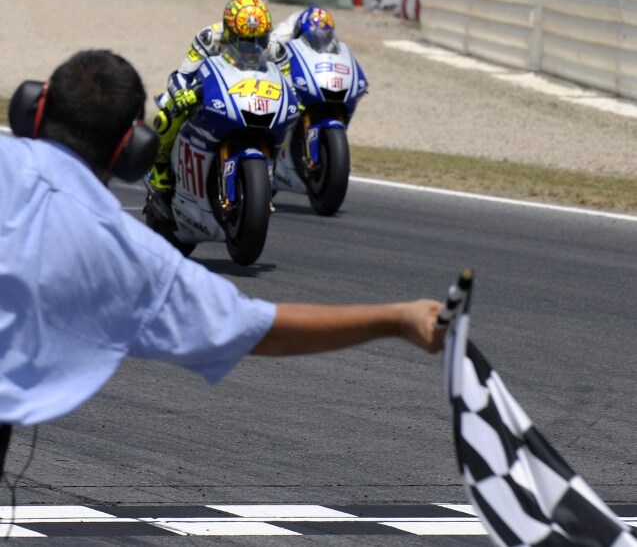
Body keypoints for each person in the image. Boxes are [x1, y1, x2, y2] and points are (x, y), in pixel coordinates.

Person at [0, 49, 444, 477]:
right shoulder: (133, 254)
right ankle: (165, 183)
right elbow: (258, 327)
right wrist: (394, 319)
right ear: (131, 150)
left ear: (33, 108)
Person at [147, 0, 279, 204]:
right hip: (210, 92)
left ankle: (272, 169)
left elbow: (286, 80)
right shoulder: (210, 38)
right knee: (169, 112)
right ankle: (160, 168)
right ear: (228, 32)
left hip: (252, 94)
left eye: (259, 39)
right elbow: (181, 75)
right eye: (244, 40)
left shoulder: (274, 47)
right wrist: (182, 94)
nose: (252, 46)